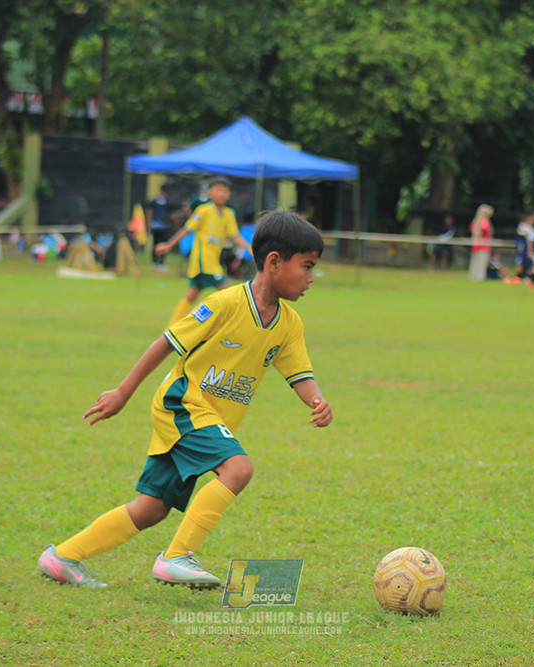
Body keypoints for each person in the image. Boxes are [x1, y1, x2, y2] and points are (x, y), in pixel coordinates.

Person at [36, 210, 333, 590]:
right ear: (274, 262)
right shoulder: (224, 304)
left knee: (151, 508)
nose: (310, 279)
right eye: (306, 267)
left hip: (206, 417)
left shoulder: (289, 323)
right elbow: (166, 343)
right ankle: (176, 557)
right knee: (239, 469)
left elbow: (299, 374)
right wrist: (123, 391)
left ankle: (62, 557)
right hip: (183, 404)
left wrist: (317, 400)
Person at [154, 176, 253, 325]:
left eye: (225, 191)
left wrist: (249, 248)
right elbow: (186, 230)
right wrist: (168, 245)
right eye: (218, 190)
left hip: (212, 262)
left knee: (191, 296)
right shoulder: (203, 211)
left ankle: (172, 327)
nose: (222, 193)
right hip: (202, 262)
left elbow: (235, 235)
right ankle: (230, 326)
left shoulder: (228, 214)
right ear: (210, 193)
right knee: (226, 293)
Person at [510, 210, 534, 285]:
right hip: (521, 247)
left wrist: (530, 250)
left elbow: (530, 240)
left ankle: (529, 278)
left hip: (525, 248)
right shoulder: (522, 227)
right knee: (519, 262)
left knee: (529, 263)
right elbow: (528, 239)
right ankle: (518, 277)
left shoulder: (531, 229)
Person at [148, 185, 172, 272]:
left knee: (155, 244)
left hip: (155, 225)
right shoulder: (168, 201)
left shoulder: (155, 200)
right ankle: (161, 262)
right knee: (163, 244)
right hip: (163, 226)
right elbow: (171, 214)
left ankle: (155, 262)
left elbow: (149, 212)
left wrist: (149, 223)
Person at [467, 204, 494, 281]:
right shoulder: (485, 221)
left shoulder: (475, 221)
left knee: (475, 262)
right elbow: (485, 229)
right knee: (482, 263)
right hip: (484, 245)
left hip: (476, 245)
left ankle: (473, 276)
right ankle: (480, 277)